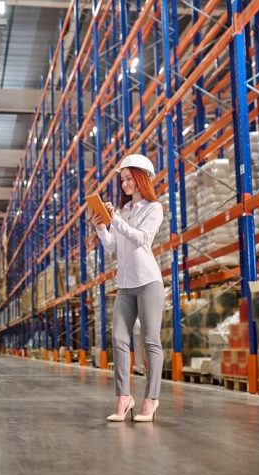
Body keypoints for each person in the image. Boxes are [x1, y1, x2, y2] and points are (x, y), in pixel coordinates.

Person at [91, 154, 164, 423]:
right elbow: (114, 247)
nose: (124, 184)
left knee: (150, 341)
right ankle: (124, 398)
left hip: (148, 283)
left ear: (142, 178)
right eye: (122, 180)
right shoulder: (122, 212)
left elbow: (142, 239)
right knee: (119, 338)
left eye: (129, 178)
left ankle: (151, 399)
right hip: (125, 285)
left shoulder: (153, 208)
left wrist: (116, 220)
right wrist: (102, 227)